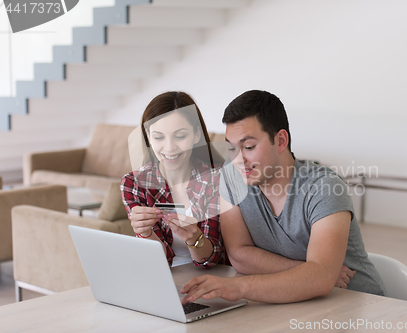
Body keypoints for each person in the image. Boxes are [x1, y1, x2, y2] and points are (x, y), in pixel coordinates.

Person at [180, 90, 385, 304]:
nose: (238, 159)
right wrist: (308, 272)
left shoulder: (324, 187)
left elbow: (322, 281)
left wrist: (238, 287)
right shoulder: (232, 175)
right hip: (298, 307)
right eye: (232, 148)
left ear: (280, 141)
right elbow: (239, 255)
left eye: (249, 147)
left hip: (360, 306)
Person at [121, 91, 226, 268]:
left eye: (180, 136)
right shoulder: (133, 183)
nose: (169, 148)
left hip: (210, 276)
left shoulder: (217, 178)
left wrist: (194, 237)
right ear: (148, 137)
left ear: (196, 135)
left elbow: (213, 260)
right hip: (161, 274)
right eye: (159, 137)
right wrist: (145, 232)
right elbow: (157, 261)